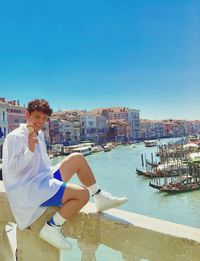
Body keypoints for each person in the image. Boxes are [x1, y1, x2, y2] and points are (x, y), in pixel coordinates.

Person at [2, 99, 128, 250]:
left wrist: (55, 180)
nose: (40, 122)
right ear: (27, 115)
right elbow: (13, 170)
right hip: (29, 190)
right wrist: (29, 150)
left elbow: (42, 166)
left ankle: (100, 196)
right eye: (37, 117)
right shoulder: (15, 137)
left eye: (44, 118)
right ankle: (52, 227)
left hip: (43, 179)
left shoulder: (39, 134)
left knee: (77, 158)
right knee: (82, 195)